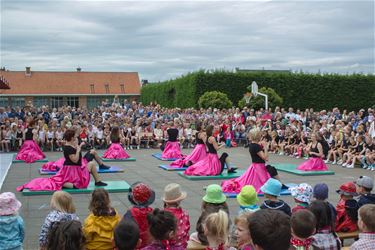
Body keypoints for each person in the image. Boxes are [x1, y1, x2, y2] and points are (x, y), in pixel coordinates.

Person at [17, 129, 107, 192]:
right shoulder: (68, 147)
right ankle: (64, 184)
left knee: (91, 164)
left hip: (76, 168)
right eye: (75, 136)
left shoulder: (71, 144)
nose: (76, 137)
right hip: (72, 170)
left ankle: (98, 181)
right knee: (77, 184)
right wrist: (79, 149)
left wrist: (78, 146)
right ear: (71, 137)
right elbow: (75, 160)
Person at [222, 128, 282, 194]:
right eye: (260, 135)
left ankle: (280, 184)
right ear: (257, 136)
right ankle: (280, 184)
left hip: (255, 166)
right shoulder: (256, 146)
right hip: (259, 168)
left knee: (271, 169)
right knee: (266, 178)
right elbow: (266, 158)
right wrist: (265, 147)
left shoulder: (252, 145)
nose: (261, 136)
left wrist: (261, 145)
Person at [123, 182, 155, 249]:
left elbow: (124, 230)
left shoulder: (130, 213)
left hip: (135, 245)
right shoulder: (153, 212)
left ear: (133, 198)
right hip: (150, 245)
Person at [162, 183, 190, 249]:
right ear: (179, 201)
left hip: (165, 246)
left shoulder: (161, 215)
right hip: (181, 246)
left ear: (166, 202)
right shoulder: (185, 214)